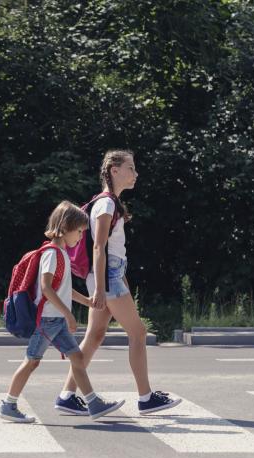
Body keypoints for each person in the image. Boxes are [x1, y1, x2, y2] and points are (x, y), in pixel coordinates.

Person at [54, 150, 182, 416]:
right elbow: (99, 247)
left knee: (95, 335)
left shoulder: (109, 203)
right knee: (138, 333)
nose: (135, 174)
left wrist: (115, 280)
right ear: (114, 170)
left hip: (110, 275)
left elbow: (111, 251)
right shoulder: (107, 204)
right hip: (106, 277)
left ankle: (66, 395)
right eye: (131, 168)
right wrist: (102, 288)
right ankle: (146, 397)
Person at [0, 201, 125, 423]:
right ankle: (9, 404)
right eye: (79, 232)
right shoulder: (52, 253)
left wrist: (86, 301)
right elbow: (47, 288)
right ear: (65, 228)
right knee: (32, 362)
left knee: (77, 357)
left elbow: (63, 289)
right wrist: (68, 314)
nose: (80, 237)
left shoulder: (62, 254)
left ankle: (93, 403)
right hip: (48, 319)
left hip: (55, 319)